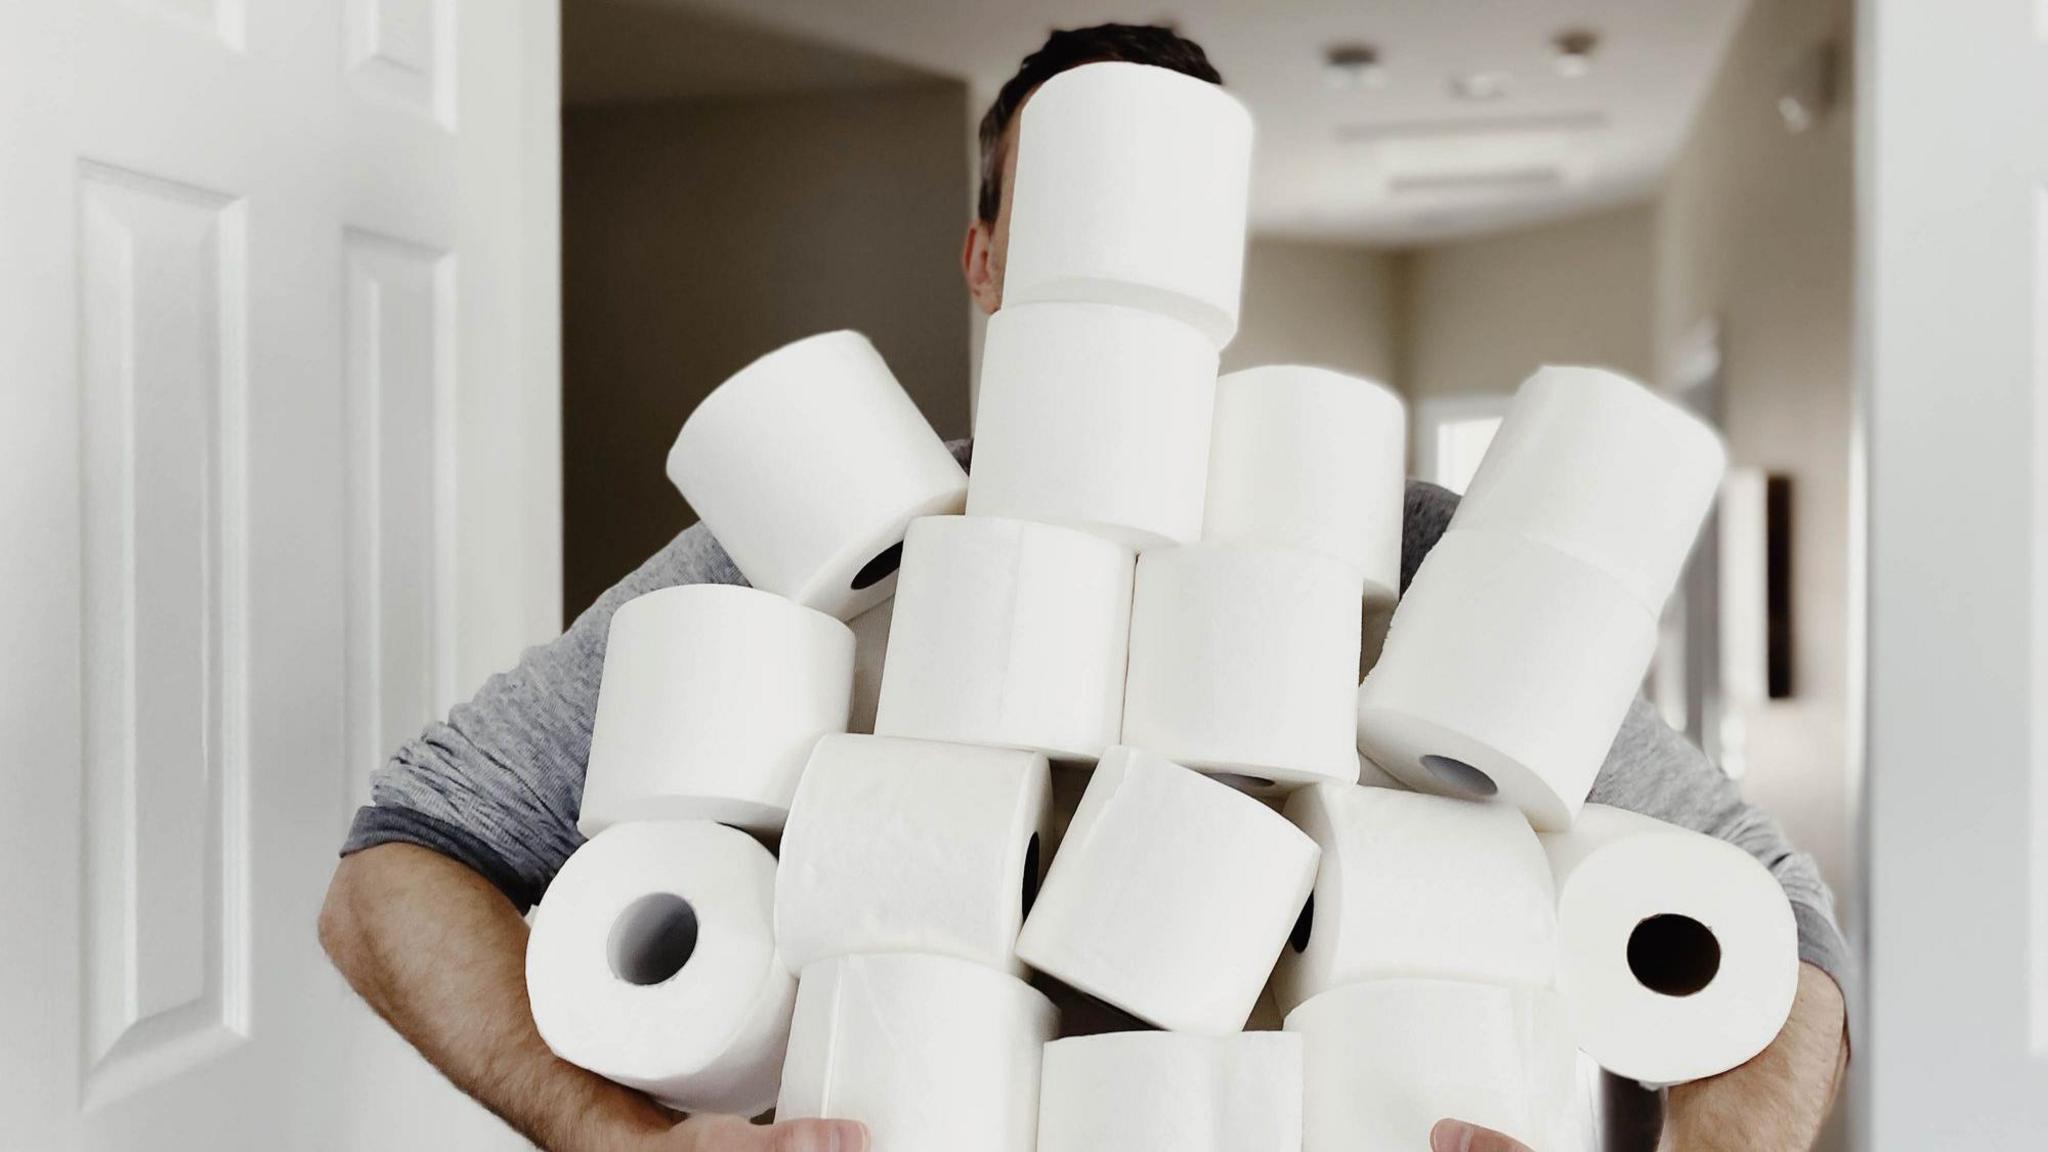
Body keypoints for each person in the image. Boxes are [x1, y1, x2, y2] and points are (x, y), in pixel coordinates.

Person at [320, 23, 1850, 1152]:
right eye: (1090, 195)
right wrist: (628, 1144)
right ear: (987, 255)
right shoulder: (810, 541)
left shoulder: (1431, 562)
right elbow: (392, 872)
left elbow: (1773, 935)